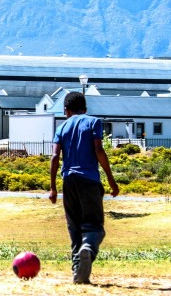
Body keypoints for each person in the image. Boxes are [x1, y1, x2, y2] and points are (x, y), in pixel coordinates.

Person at [49, 91, 119, 285]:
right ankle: (88, 247)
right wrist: (111, 181)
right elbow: (98, 150)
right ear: (85, 109)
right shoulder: (94, 122)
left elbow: (55, 157)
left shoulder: (61, 128)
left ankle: (77, 274)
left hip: (68, 182)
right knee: (94, 227)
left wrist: (53, 188)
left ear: (66, 111)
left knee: (74, 229)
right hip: (89, 181)